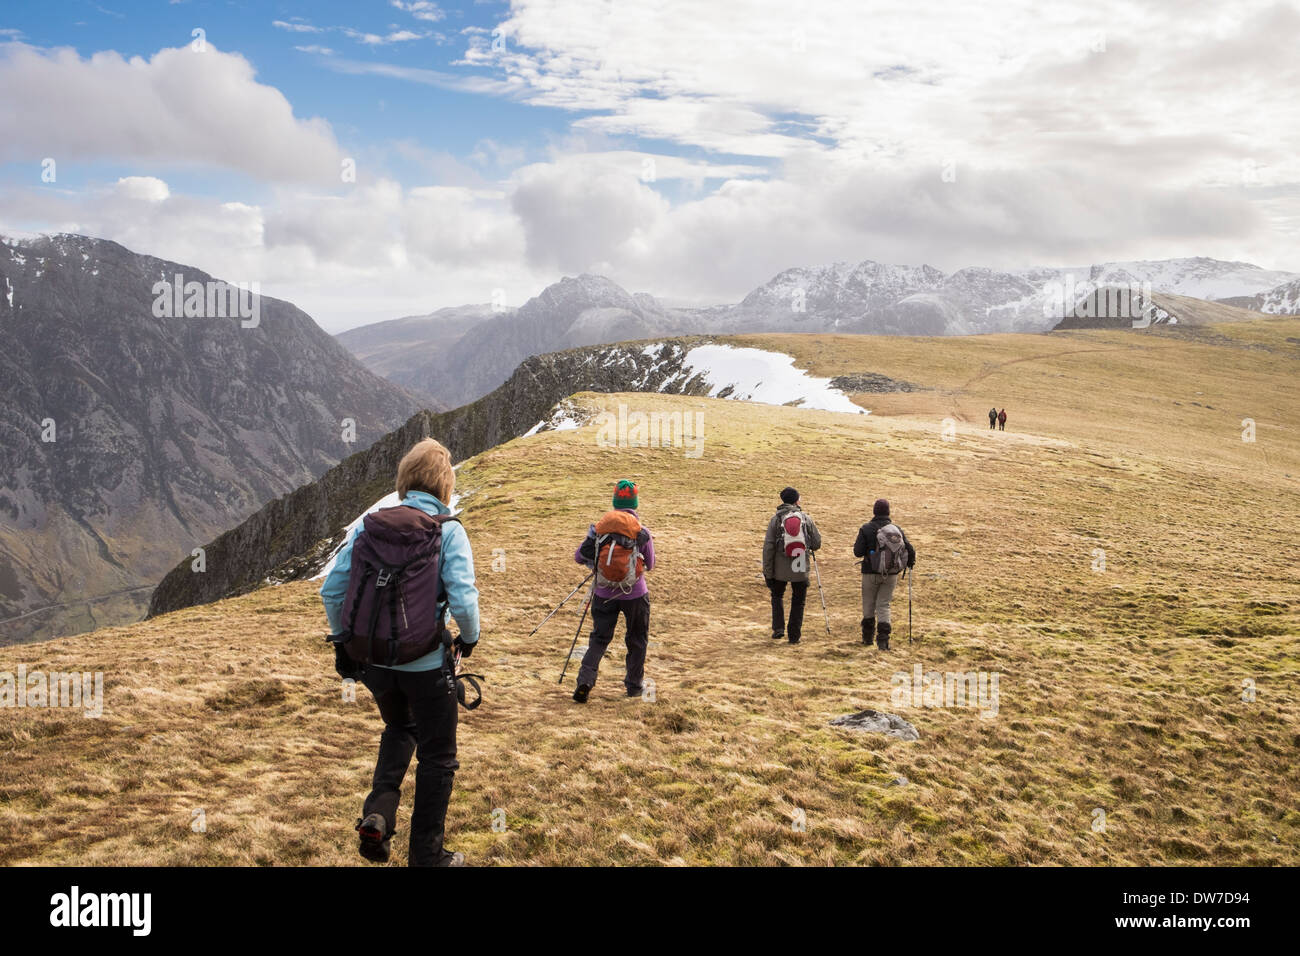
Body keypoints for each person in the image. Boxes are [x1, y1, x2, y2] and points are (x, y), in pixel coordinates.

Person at [320, 438, 480, 867]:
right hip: (426, 664)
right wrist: (470, 636)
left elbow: (331, 590)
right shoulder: (448, 529)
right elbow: (463, 599)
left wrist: (342, 643)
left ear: (405, 481)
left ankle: (379, 814)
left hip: (373, 662)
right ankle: (427, 858)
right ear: (445, 484)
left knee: (398, 728)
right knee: (438, 757)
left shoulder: (369, 526)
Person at [572, 479, 655, 702]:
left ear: (614, 501)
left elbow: (579, 556)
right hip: (636, 593)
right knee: (637, 639)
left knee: (599, 639)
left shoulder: (599, 528)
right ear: (635, 503)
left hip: (603, 593)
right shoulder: (640, 531)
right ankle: (634, 686)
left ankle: (584, 681)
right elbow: (651, 563)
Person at [761, 487, 823, 644]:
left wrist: (767, 572)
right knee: (798, 600)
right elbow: (817, 543)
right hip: (799, 562)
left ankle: (778, 629)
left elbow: (768, 547)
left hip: (779, 566)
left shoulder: (775, 520)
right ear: (796, 500)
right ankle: (794, 636)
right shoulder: (804, 518)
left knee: (777, 596)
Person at [852, 498, 915, 651]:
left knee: (869, 604)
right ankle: (883, 642)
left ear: (874, 511)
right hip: (891, 574)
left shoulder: (866, 528)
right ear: (888, 512)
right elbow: (910, 550)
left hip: (870, 573)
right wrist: (909, 564)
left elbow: (857, 552)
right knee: (884, 605)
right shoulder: (896, 529)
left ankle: (867, 639)